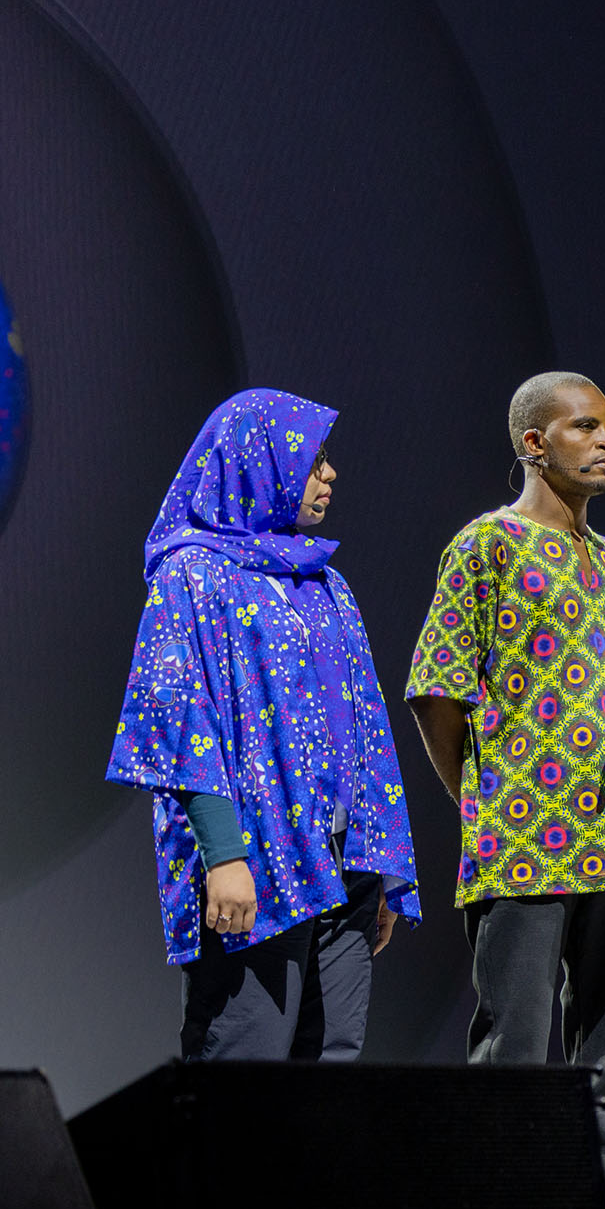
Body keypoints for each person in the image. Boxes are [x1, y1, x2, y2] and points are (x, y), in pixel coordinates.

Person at [406, 372, 605, 1209]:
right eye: (585, 426)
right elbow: (436, 690)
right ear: (533, 443)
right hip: (521, 842)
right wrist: (482, 802)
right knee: (514, 1053)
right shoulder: (486, 545)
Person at [107, 388, 418, 1062]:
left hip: (347, 870)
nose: (329, 474)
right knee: (244, 1074)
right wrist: (224, 855)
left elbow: (366, 725)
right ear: (255, 462)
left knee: (331, 1071)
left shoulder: (326, 582)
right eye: (312, 459)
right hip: (258, 864)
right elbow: (181, 725)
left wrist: (381, 864)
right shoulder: (192, 576)